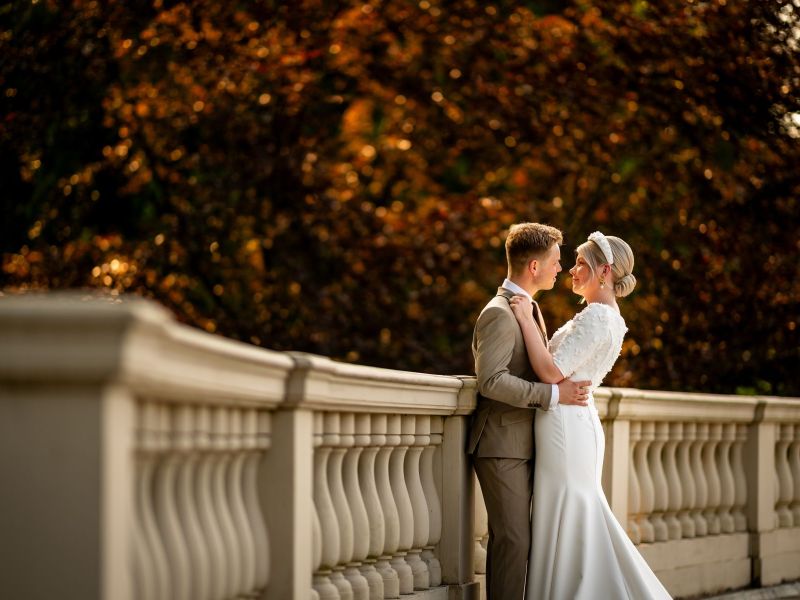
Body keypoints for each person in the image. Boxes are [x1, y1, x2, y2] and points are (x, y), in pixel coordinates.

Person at [509, 231, 672, 600]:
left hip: (566, 429)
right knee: (570, 512)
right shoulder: (602, 315)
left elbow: (552, 372)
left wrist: (524, 319)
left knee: (569, 512)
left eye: (582, 263)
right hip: (571, 424)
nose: (571, 269)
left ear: (604, 271)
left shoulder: (599, 317)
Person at [467, 222, 592, 600]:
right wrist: (554, 396)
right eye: (555, 261)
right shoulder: (500, 314)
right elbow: (491, 381)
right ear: (533, 267)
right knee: (513, 541)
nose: (560, 268)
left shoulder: (526, 307)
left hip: (525, 444)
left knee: (526, 542)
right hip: (501, 445)